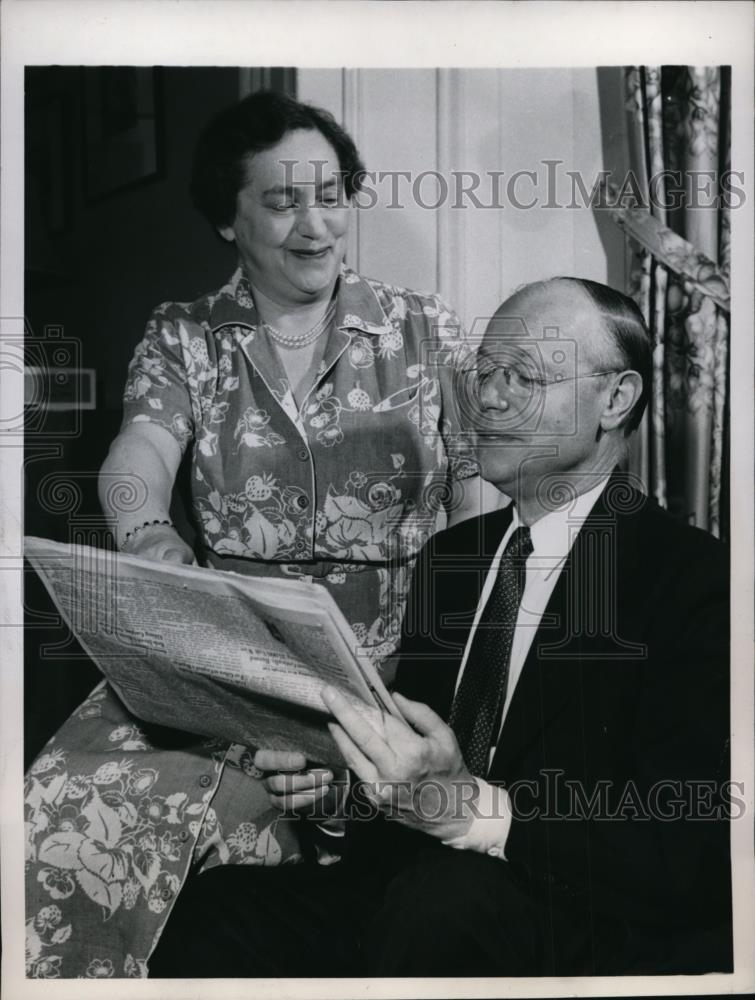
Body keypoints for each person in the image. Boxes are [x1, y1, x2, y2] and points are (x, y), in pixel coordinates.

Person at [24, 91, 485, 979]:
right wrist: (151, 538)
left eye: (330, 194)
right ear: (226, 221)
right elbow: (137, 455)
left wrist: (457, 659)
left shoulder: (429, 330)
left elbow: (477, 506)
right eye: (281, 202)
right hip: (220, 666)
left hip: (386, 680)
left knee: (258, 864)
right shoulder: (183, 335)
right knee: (58, 814)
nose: (315, 225)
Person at [149, 277, 732, 978]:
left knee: (439, 905)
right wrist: (343, 795)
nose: (486, 398)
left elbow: (690, 854)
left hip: (579, 915)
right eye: (482, 373)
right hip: (414, 893)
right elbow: (416, 785)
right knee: (217, 910)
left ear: (615, 400)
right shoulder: (451, 561)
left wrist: (468, 814)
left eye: (523, 375)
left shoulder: (696, 581)